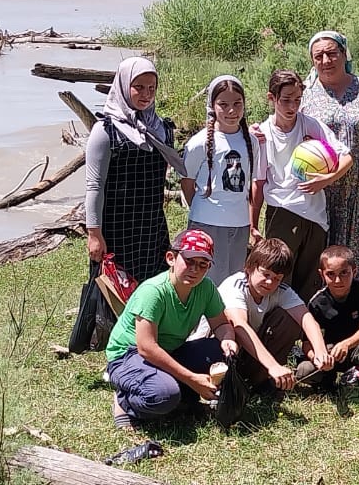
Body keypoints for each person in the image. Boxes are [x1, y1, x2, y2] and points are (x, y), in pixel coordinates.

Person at [70, 56, 186, 354]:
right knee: (114, 285)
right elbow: (94, 186)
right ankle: (114, 343)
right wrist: (94, 233)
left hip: (151, 222)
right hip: (116, 226)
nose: (146, 94)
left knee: (152, 283)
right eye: (138, 87)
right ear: (123, 87)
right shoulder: (105, 131)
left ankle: (149, 339)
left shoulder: (162, 129)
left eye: (151, 88)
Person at [105, 229, 238, 428]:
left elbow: (220, 324)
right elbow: (146, 348)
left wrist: (228, 339)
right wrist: (192, 379)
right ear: (171, 258)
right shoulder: (153, 292)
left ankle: (182, 398)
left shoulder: (206, 288)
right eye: (189, 261)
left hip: (168, 351)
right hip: (128, 355)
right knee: (164, 395)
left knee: (219, 351)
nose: (195, 270)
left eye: (203, 264)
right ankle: (125, 401)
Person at [252, 69, 353, 300]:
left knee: (310, 283)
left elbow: (347, 156)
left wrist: (326, 179)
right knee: (278, 278)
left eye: (297, 100)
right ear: (272, 98)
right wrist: (253, 224)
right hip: (282, 212)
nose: (292, 106)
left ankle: (306, 323)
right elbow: (258, 181)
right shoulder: (263, 134)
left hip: (315, 215)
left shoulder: (310, 125)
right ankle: (275, 324)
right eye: (286, 100)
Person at [298, 31, 359, 263]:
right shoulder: (304, 93)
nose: (326, 61)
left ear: (344, 54)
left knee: (355, 264)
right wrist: (257, 132)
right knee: (320, 263)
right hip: (319, 195)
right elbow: (284, 125)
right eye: (318, 56)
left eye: (332, 53)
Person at [217, 238, 333, 393]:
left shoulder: (281, 291)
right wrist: (273, 366)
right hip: (221, 350)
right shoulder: (234, 287)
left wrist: (320, 351)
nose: (270, 282)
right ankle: (229, 382)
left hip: (251, 353)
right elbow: (240, 326)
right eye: (265, 274)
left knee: (289, 319)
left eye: (277, 278)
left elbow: (306, 318)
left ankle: (260, 379)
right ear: (249, 267)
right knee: (234, 333)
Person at [182, 75, 262, 287]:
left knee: (233, 283)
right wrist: (204, 208)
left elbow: (252, 183)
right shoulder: (199, 142)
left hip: (239, 223)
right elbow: (187, 183)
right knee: (204, 282)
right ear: (212, 106)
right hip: (207, 222)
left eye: (237, 103)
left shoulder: (251, 142)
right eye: (223, 105)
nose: (231, 111)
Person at [302, 246, 359, 388]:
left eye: (344, 273)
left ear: (354, 272)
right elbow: (306, 344)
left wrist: (346, 344)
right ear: (322, 275)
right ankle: (328, 380)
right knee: (304, 371)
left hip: (355, 348)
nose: (337, 280)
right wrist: (318, 358)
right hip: (331, 353)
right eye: (331, 274)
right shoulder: (316, 302)